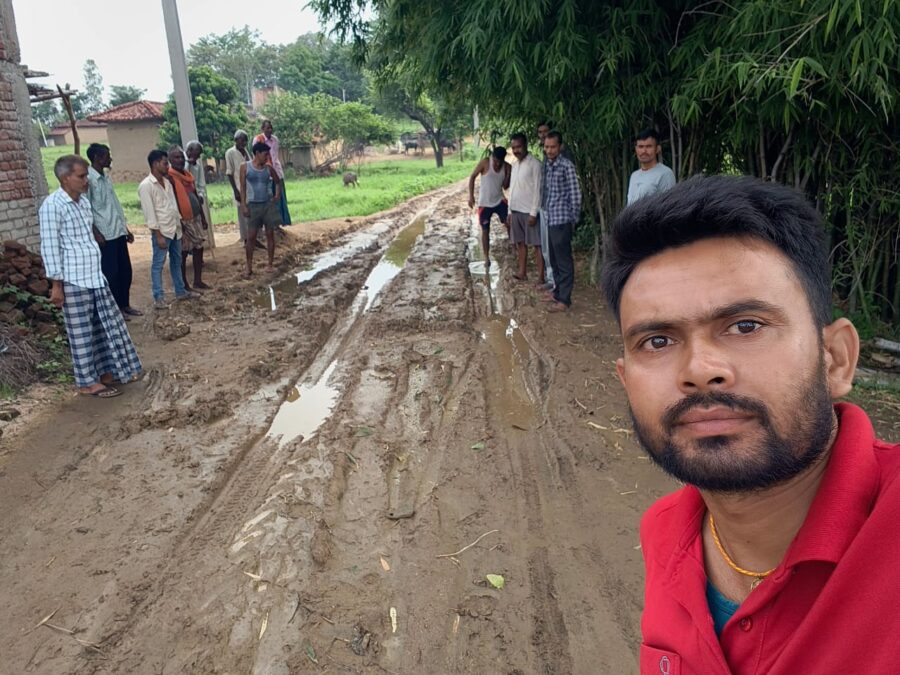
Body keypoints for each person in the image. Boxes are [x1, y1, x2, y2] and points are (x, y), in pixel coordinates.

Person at [601, 175, 900, 674]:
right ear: (625, 379)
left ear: (836, 360)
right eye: (657, 341)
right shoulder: (664, 532)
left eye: (745, 326)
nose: (700, 370)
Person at [39, 155, 142, 397]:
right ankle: (86, 382)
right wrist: (57, 285)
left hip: (95, 276)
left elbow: (88, 237)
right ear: (66, 179)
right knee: (81, 333)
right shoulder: (52, 207)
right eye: (82, 176)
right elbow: (50, 247)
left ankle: (106, 371)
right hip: (73, 279)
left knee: (104, 327)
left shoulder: (83, 203)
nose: (87, 181)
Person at [85, 143, 141, 320]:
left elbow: (114, 205)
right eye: (106, 155)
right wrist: (95, 232)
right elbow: (86, 209)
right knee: (111, 273)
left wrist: (125, 228)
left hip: (117, 231)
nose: (110, 159)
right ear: (97, 158)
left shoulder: (106, 177)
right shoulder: (89, 180)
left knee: (125, 270)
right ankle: (116, 310)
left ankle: (125, 304)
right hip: (104, 235)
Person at [138, 150, 198, 309]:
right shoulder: (146, 186)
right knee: (158, 264)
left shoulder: (167, 182)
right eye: (165, 163)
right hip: (162, 231)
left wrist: (181, 225)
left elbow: (173, 206)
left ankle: (180, 291)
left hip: (174, 228)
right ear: (155, 163)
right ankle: (159, 297)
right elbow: (150, 213)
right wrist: (157, 235)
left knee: (176, 261)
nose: (168, 166)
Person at [540, 131, 581, 312]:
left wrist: (573, 219)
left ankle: (564, 299)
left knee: (563, 261)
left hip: (562, 219)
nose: (549, 150)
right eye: (547, 146)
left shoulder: (566, 166)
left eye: (553, 146)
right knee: (554, 259)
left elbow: (575, 194)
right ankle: (557, 293)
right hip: (550, 218)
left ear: (560, 147)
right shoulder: (547, 166)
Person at [167, 146, 210, 291]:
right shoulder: (169, 178)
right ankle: (184, 284)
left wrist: (203, 218)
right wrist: (179, 221)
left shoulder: (188, 176)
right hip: (182, 221)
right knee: (183, 253)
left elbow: (196, 196)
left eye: (181, 157)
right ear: (170, 160)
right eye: (176, 157)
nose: (179, 160)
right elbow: (171, 202)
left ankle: (198, 280)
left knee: (199, 248)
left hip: (195, 217)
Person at [240, 141, 282, 278]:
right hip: (253, 205)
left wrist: (277, 195)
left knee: (269, 234)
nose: (267, 157)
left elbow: (278, 181)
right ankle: (249, 266)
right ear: (257, 153)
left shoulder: (268, 168)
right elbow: (243, 188)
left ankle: (270, 264)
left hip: (267, 204)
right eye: (265, 154)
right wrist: (244, 205)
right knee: (251, 237)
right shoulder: (245, 167)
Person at [507, 133, 543, 283]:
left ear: (526, 145)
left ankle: (541, 277)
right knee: (520, 244)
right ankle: (522, 272)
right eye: (513, 147)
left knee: (537, 245)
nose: (516, 150)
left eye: (519, 147)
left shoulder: (535, 164)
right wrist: (509, 211)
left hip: (529, 212)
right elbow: (512, 188)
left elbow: (538, 190)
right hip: (515, 211)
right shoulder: (514, 165)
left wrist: (534, 213)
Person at [467, 146, 510, 265]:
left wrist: (507, 174)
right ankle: (486, 257)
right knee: (485, 230)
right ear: (492, 157)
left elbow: (505, 187)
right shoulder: (485, 162)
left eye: (499, 162)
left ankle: (514, 246)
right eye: (495, 161)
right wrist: (471, 196)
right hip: (484, 203)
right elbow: (472, 177)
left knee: (510, 222)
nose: (497, 164)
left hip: (499, 200)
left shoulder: (507, 167)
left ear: (503, 160)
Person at [254, 119, 292, 226]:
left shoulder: (275, 140)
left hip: (276, 170)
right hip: (265, 173)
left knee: (279, 197)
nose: (270, 130)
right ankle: (271, 224)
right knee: (269, 199)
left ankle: (282, 222)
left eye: (271, 128)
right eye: (267, 128)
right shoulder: (258, 140)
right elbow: (256, 157)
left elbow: (275, 156)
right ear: (263, 129)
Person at [626, 128, 676, 205]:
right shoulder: (634, 175)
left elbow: (669, 207)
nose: (644, 151)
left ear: (658, 149)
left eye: (649, 146)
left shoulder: (665, 173)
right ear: (636, 149)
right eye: (640, 147)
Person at [185, 140, 216, 249]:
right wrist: (188, 163)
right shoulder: (182, 163)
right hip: (183, 202)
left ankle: (197, 253)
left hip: (195, 200)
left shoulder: (197, 165)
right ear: (189, 151)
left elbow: (200, 184)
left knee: (197, 228)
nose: (198, 157)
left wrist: (201, 195)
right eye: (197, 154)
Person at [535, 121, 554, 290]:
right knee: (546, 246)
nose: (542, 135)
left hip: (555, 209)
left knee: (554, 247)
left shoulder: (561, 156)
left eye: (545, 131)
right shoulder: (545, 155)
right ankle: (551, 280)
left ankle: (556, 283)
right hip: (544, 205)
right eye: (540, 132)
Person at [225, 130, 252, 244]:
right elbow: (229, 172)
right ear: (236, 140)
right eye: (241, 140)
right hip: (239, 186)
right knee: (242, 214)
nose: (244, 142)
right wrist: (235, 191)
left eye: (245, 140)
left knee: (250, 213)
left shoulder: (246, 152)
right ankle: (246, 239)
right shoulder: (230, 153)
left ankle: (252, 238)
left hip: (249, 187)